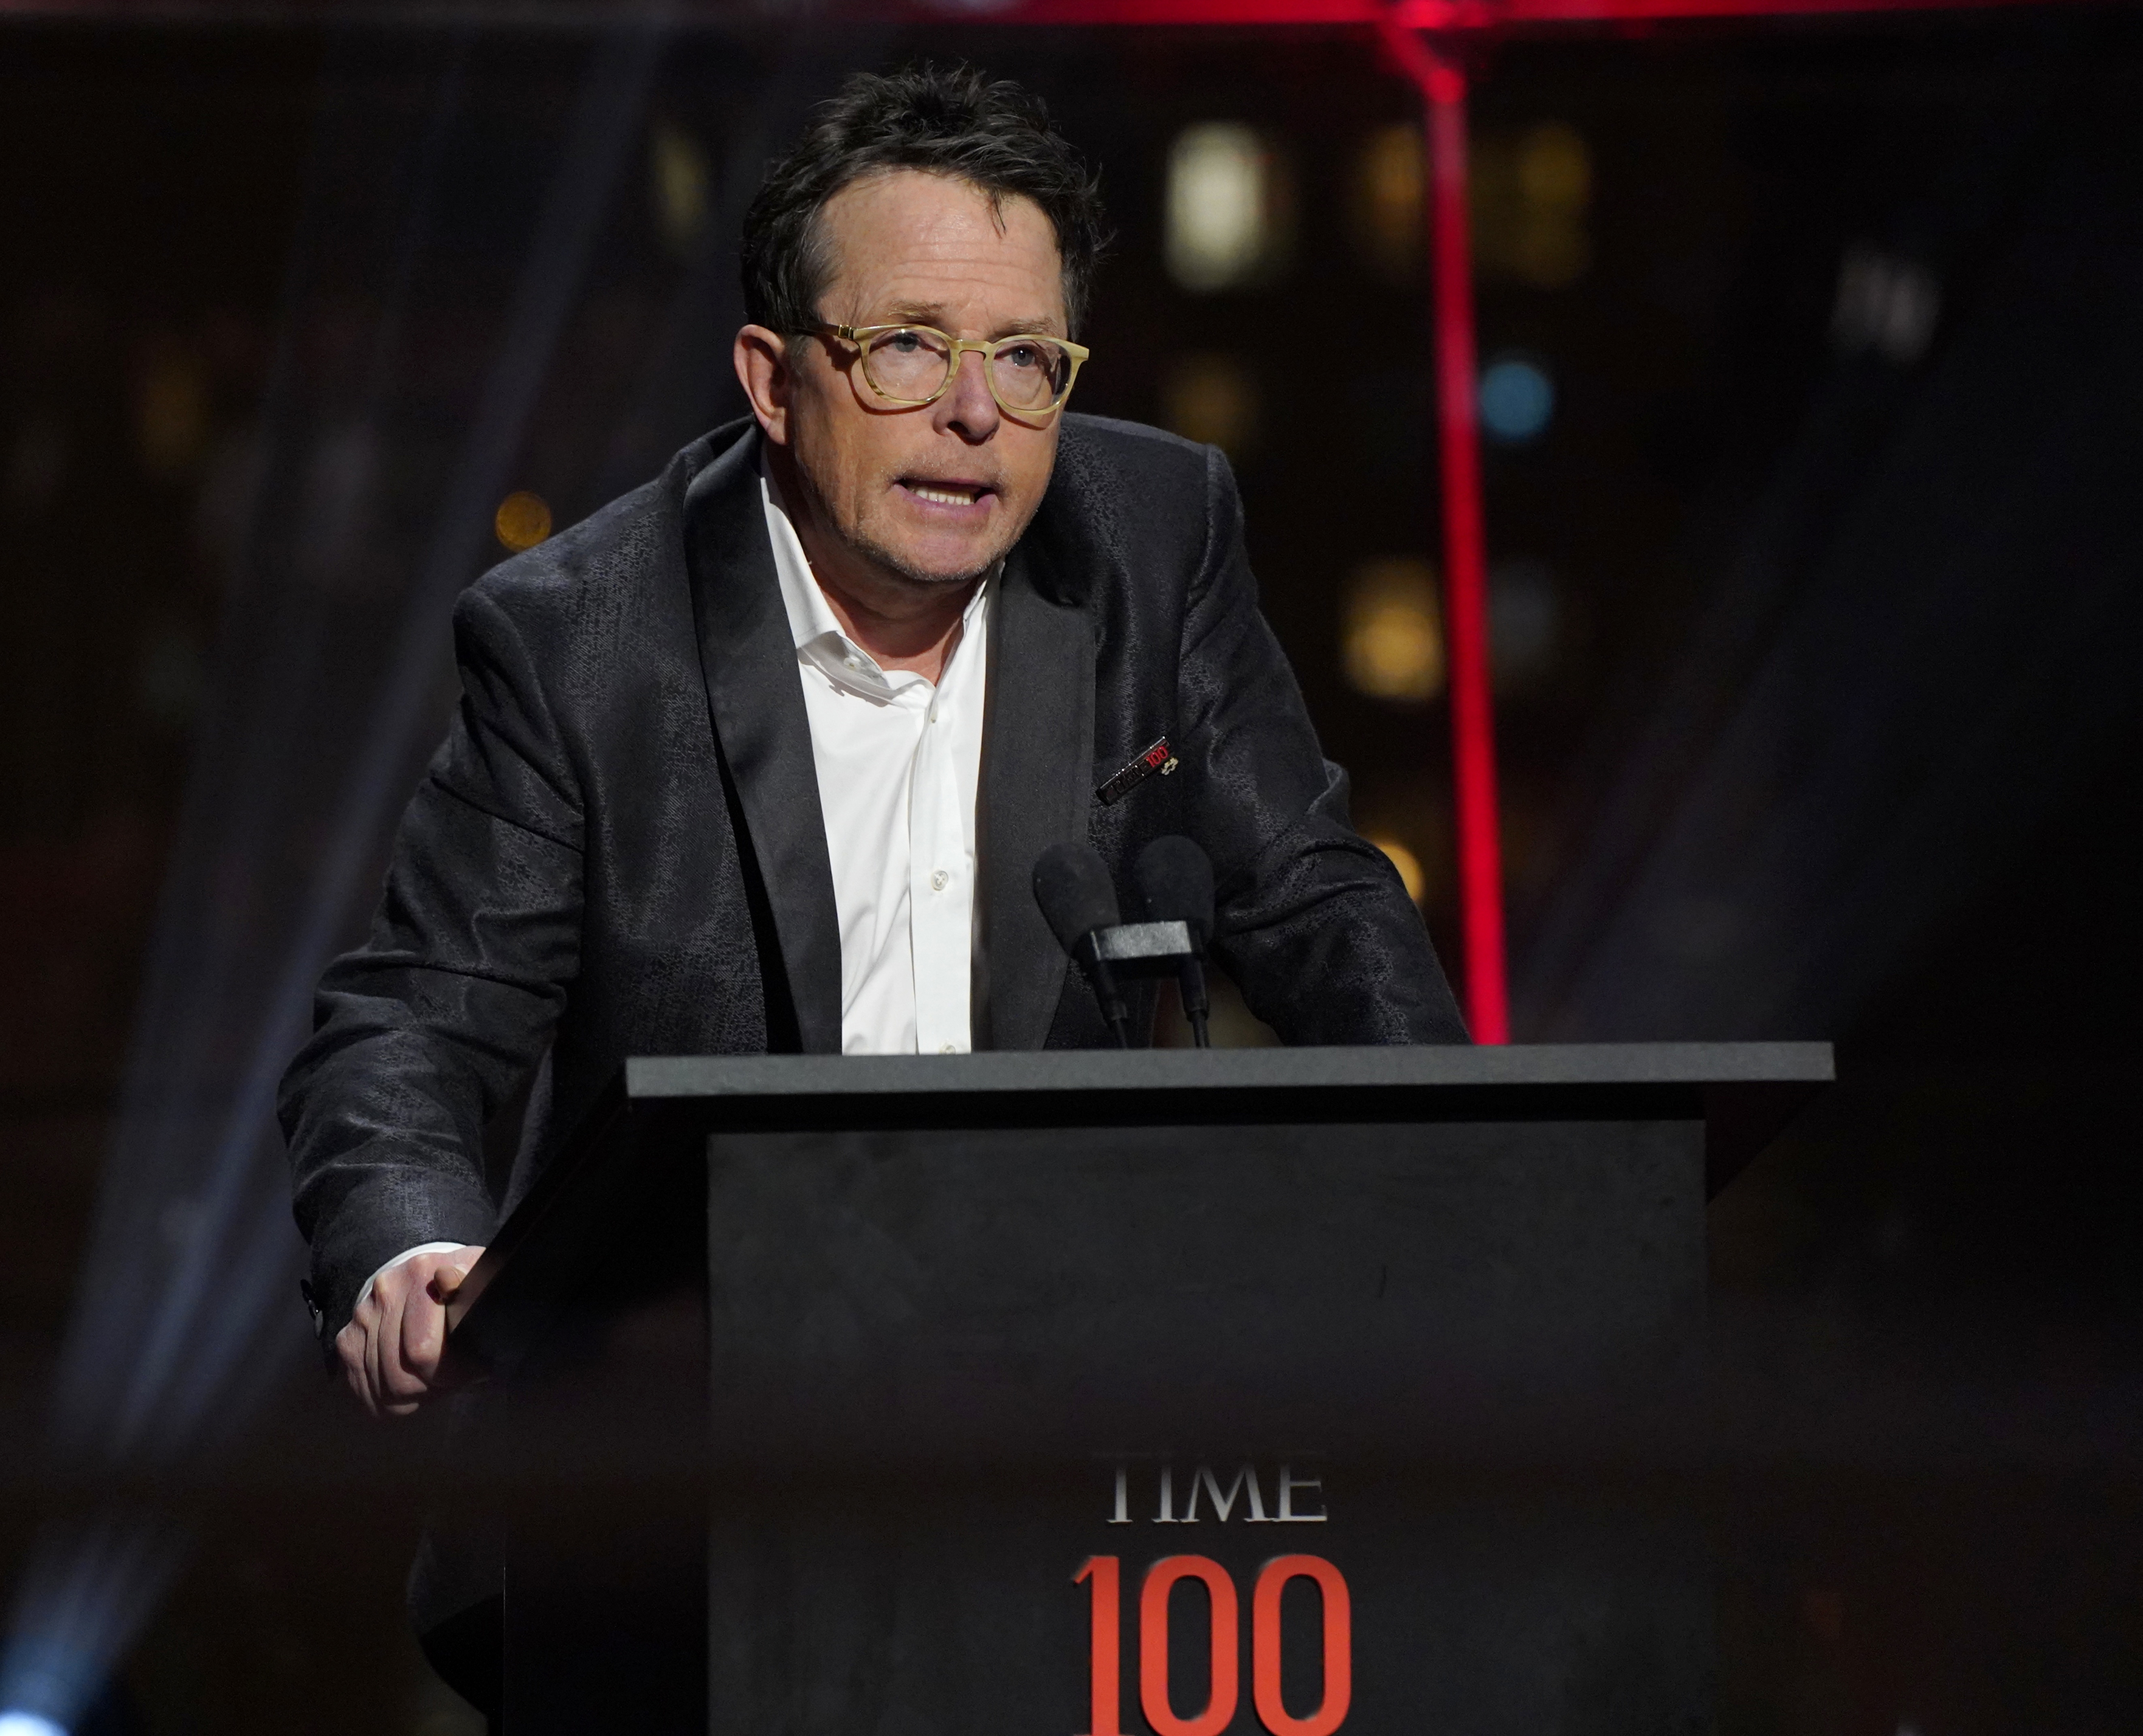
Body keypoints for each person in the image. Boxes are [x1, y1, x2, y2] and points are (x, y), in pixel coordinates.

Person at [277, 59, 1464, 1704]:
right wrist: (411, 1251)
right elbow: (412, 1023)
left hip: (1068, 1472)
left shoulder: (1154, 531)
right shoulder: (582, 641)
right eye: (908, 346)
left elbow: (1318, 901)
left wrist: (1487, 1193)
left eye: (1025, 360)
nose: (974, 415)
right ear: (774, 377)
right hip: (683, 1478)